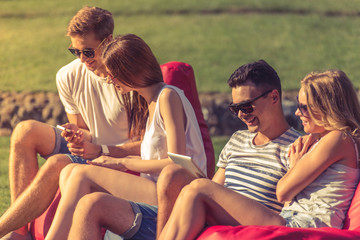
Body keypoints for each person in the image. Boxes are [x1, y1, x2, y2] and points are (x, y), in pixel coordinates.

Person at [66, 59, 301, 240]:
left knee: (178, 176)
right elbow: (215, 187)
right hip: (207, 215)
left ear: (274, 97)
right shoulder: (237, 140)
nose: (242, 115)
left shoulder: (298, 148)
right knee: (96, 202)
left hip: (250, 223)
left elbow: (295, 210)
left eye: (247, 107)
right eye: (235, 108)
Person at [159, 69, 360, 240]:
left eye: (304, 107)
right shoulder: (327, 141)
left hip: (301, 225)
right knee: (190, 189)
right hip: (292, 218)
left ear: (327, 106)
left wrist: (296, 164)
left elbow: (283, 191)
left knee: (199, 188)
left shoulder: (338, 138)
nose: (298, 113)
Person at [43, 34, 207, 240]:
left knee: (80, 175)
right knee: (70, 171)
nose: (109, 80)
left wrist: (120, 162)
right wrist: (108, 157)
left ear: (130, 69)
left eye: (113, 75)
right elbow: (155, 158)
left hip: (176, 193)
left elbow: (177, 164)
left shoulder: (168, 97)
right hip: (156, 188)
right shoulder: (151, 101)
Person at [0, 7, 142, 240]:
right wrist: (75, 135)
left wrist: (99, 150)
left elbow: (143, 144)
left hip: (117, 158)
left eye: (88, 52)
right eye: (75, 52)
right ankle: (19, 232)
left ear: (108, 41)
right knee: (25, 131)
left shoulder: (129, 80)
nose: (82, 60)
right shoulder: (67, 76)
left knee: (58, 164)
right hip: (92, 149)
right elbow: (84, 129)